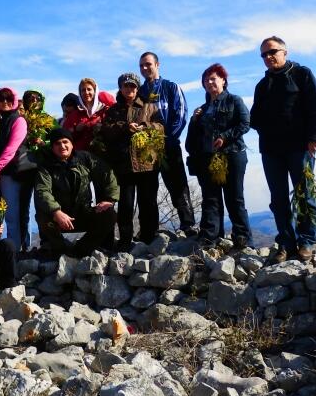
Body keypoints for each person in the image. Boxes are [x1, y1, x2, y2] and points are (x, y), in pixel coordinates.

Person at [250, 36, 316, 263]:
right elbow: (254, 118)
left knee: (304, 194)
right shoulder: (262, 86)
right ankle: (285, 242)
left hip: (300, 146)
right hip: (271, 150)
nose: (268, 57)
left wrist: (314, 137)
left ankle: (306, 241)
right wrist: (266, 127)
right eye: (264, 55)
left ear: (285, 51)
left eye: (272, 51)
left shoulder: (302, 75)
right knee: (278, 199)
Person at [184, 64, 253, 248]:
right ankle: (210, 236)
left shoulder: (234, 100)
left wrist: (225, 137)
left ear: (223, 80)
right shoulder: (202, 109)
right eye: (206, 80)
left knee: (234, 197)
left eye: (213, 78)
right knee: (210, 198)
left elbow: (245, 123)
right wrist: (194, 120)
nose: (209, 82)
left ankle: (243, 239)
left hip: (233, 154)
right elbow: (193, 138)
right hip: (207, 158)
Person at [99, 72, 163, 250]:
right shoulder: (113, 110)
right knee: (126, 205)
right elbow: (106, 132)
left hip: (146, 162)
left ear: (137, 88)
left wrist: (145, 126)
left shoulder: (149, 107)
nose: (129, 89)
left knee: (148, 202)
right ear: (120, 88)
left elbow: (160, 127)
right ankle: (125, 241)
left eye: (133, 86)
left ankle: (149, 238)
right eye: (125, 86)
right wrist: (125, 127)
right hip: (123, 164)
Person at [34, 128, 119, 257]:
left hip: (83, 213)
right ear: (52, 147)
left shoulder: (85, 158)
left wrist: (110, 199)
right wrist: (56, 212)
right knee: (42, 217)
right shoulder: (46, 167)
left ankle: (81, 251)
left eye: (65, 142)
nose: (62, 146)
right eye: (57, 143)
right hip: (60, 218)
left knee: (109, 214)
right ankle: (60, 252)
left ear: (72, 144)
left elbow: (107, 174)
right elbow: (42, 191)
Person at [138, 51, 197, 235]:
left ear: (157, 64)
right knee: (147, 190)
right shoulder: (140, 92)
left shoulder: (171, 87)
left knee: (177, 186)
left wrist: (167, 139)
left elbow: (180, 114)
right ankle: (149, 230)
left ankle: (188, 225)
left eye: (148, 64)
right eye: (141, 66)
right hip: (145, 149)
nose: (145, 68)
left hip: (169, 146)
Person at [0, 87, 29, 249]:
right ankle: (11, 247)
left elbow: (11, 149)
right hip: (1, 173)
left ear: (14, 101)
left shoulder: (18, 120)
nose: (5, 102)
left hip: (13, 172)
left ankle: (16, 250)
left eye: (8, 99)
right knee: (6, 212)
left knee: (13, 214)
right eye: (1, 99)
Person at [17, 89, 55, 251]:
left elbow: (59, 140)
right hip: (24, 167)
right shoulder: (20, 119)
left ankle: (47, 241)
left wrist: (43, 143)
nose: (33, 100)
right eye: (29, 98)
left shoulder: (48, 120)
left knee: (43, 206)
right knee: (22, 207)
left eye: (36, 98)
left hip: (43, 169)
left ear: (42, 100)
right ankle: (23, 244)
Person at [62, 78, 115, 151]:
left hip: (102, 156)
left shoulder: (105, 111)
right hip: (79, 156)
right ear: (80, 93)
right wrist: (76, 130)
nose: (86, 92)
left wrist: (101, 129)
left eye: (89, 89)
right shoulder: (74, 115)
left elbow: (114, 132)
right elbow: (64, 137)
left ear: (95, 91)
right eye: (83, 90)